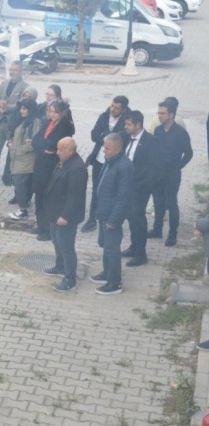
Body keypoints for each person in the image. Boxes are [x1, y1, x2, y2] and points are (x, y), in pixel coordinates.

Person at [90, 133, 134, 296]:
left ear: (117, 148)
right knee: (105, 246)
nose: (104, 150)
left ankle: (114, 283)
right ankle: (106, 273)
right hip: (104, 213)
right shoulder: (110, 162)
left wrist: (114, 220)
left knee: (112, 248)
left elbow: (124, 197)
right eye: (103, 146)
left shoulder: (124, 167)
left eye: (107, 147)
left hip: (111, 216)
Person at [42, 137, 88, 292]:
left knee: (66, 246)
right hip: (54, 212)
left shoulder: (77, 168)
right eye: (57, 148)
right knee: (56, 241)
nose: (57, 152)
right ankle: (59, 266)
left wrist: (65, 216)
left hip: (65, 216)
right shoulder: (64, 161)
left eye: (61, 149)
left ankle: (70, 278)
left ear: (70, 150)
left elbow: (75, 196)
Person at [81, 96, 130, 233]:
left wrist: (104, 135)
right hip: (99, 159)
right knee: (96, 188)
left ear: (123, 109)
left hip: (113, 161)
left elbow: (122, 138)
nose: (113, 109)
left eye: (117, 107)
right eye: (112, 106)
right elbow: (93, 135)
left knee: (109, 190)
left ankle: (107, 217)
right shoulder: (104, 116)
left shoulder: (126, 120)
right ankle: (92, 219)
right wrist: (107, 136)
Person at [148, 98, 193, 246]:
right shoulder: (158, 130)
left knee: (171, 203)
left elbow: (189, 153)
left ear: (172, 115)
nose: (159, 116)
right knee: (158, 202)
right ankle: (157, 229)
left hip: (172, 175)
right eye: (158, 112)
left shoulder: (180, 133)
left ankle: (172, 234)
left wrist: (178, 166)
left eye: (163, 113)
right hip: (157, 173)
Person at [121, 111, 161, 267]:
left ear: (138, 124)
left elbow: (152, 168)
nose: (126, 127)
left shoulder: (151, 142)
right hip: (126, 186)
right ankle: (134, 246)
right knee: (131, 219)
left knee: (138, 219)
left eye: (129, 124)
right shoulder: (125, 137)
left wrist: (141, 185)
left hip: (140, 188)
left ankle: (140, 254)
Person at [31, 100, 75, 241]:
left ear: (61, 113)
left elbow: (53, 144)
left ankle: (48, 230)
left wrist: (47, 148)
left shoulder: (64, 126)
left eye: (54, 112)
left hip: (52, 167)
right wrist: (44, 148)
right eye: (50, 111)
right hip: (40, 164)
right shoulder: (46, 123)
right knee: (39, 196)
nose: (51, 114)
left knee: (48, 199)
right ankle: (40, 224)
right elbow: (35, 140)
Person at [0, 61, 28, 182]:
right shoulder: (4, 83)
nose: (12, 72)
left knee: (12, 149)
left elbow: (20, 105)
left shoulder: (25, 87)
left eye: (15, 70)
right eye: (11, 69)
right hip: (0, 121)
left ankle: (9, 174)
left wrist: (6, 107)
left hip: (13, 124)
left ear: (21, 71)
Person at [8, 98, 42, 220]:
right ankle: (24, 206)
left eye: (24, 108)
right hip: (18, 159)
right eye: (21, 108)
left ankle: (23, 210)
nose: (21, 111)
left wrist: (19, 149)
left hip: (26, 161)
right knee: (20, 185)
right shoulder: (23, 121)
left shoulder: (35, 123)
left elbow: (33, 142)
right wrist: (10, 144)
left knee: (20, 185)